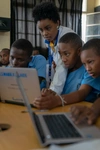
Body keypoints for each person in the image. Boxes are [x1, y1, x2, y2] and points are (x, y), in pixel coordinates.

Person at [33, 33, 100, 109]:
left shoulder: (90, 71)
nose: (63, 59)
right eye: (60, 55)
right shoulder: (63, 69)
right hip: (63, 108)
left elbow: (82, 93)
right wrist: (50, 93)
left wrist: (57, 100)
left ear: (79, 52)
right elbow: (58, 88)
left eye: (67, 54)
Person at [32, 1, 74, 94]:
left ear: (57, 23)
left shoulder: (66, 38)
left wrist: (52, 92)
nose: (44, 33)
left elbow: (62, 68)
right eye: (41, 30)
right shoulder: (50, 39)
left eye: (48, 28)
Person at [70, 38, 100, 125]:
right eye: (84, 64)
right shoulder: (92, 73)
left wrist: (93, 110)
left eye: (90, 62)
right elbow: (82, 92)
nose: (88, 68)